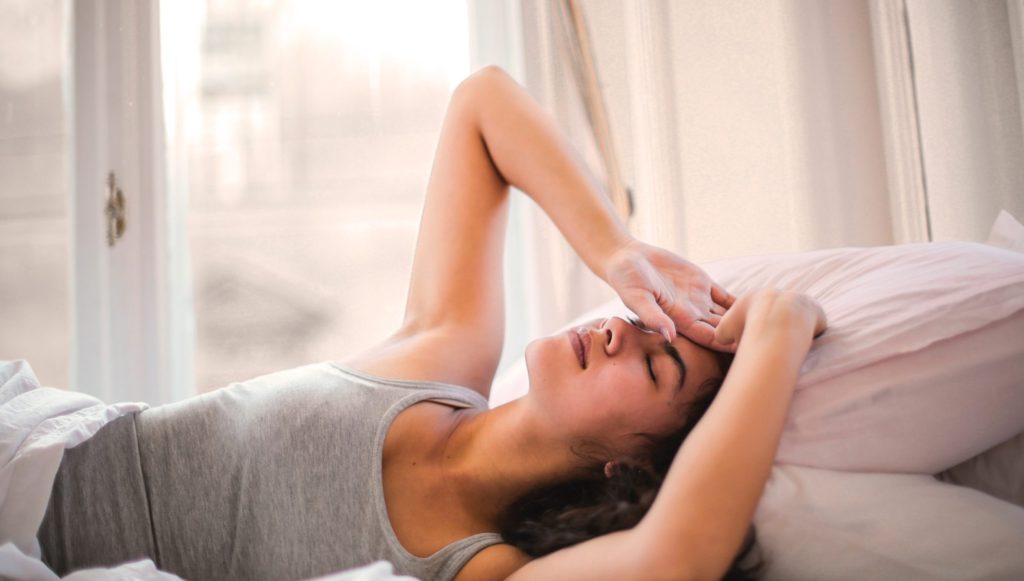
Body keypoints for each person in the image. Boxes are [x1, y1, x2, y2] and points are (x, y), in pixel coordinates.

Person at [36, 66, 826, 581]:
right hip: (32, 455)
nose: (623, 328)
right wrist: (618, 252)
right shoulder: (441, 355)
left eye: (654, 365)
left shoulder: (481, 569)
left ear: (628, 466)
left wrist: (780, 328)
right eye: (642, 318)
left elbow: (680, 552)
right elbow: (482, 104)